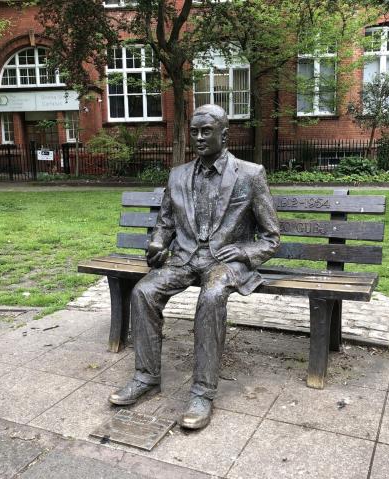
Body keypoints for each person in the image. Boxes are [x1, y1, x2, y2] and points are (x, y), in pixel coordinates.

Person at [108, 104, 280, 429]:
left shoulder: (250, 174)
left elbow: (271, 238)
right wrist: (159, 242)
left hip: (225, 261)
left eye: (207, 131)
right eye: (195, 132)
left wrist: (243, 253)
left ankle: (202, 392)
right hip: (185, 257)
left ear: (224, 134)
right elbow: (165, 223)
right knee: (144, 292)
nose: (199, 138)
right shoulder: (178, 175)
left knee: (212, 297)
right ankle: (146, 377)